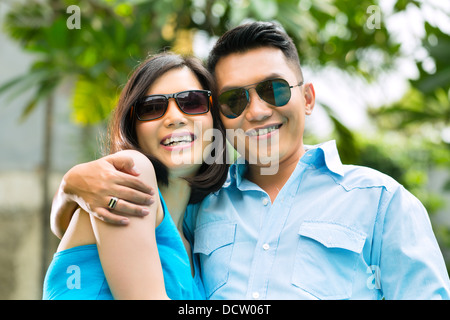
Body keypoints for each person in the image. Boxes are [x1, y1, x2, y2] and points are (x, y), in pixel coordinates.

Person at [50, 22, 450, 300]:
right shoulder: (201, 204)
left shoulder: (382, 202)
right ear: (220, 115)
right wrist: (71, 187)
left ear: (307, 98)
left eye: (273, 90)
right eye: (235, 99)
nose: (257, 111)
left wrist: (71, 187)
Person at [43, 52, 228, 299]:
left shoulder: (194, 235)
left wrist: (68, 188)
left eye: (192, 102)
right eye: (152, 108)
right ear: (133, 128)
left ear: (215, 121)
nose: (174, 118)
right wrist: (69, 185)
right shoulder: (130, 173)